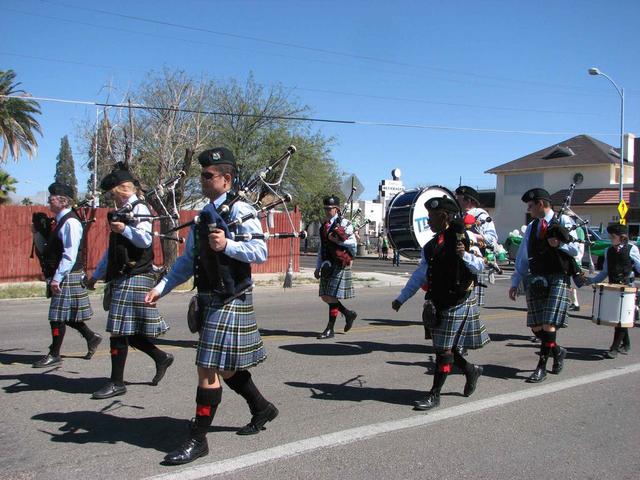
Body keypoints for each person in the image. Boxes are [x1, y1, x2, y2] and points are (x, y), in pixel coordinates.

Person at [145, 147, 277, 465]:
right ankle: (262, 408)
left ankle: (198, 438)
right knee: (226, 368)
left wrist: (228, 244)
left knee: (207, 368)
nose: (202, 180)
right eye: (201, 175)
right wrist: (161, 287)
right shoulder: (204, 216)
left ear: (226, 178)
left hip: (231, 298)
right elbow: (188, 260)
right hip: (208, 297)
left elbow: (260, 251)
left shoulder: (241, 209)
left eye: (207, 176)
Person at [391, 196, 489, 411]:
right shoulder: (431, 245)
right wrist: (402, 297)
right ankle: (471, 370)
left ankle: (434, 395)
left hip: (458, 300)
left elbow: (482, 266)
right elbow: (420, 274)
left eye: (431, 216)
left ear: (444, 216)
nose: (428, 221)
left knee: (443, 351)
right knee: (448, 349)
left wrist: (465, 256)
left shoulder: (467, 237)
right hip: (437, 301)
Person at [86, 165, 173, 399]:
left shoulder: (140, 208)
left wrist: (124, 229)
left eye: (112, 193)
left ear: (121, 189)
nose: (110, 197)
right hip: (122, 275)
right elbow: (112, 250)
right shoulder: (122, 209)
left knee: (118, 330)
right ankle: (161, 357)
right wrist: (96, 274)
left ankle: (116, 383)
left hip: (135, 275)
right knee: (127, 330)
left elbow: (145, 240)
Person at [508, 188, 579, 383]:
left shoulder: (563, 221)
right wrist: (515, 281)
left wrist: (560, 245)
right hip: (537, 278)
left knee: (548, 325)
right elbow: (523, 256)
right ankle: (557, 350)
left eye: (530, 206)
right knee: (536, 326)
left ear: (540, 204)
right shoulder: (532, 227)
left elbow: (577, 250)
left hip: (557, 277)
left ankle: (541, 367)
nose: (529, 210)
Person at [32, 182, 102, 368]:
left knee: (56, 316)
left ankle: (54, 354)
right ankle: (92, 337)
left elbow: (70, 254)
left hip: (67, 275)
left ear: (63, 201)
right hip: (63, 274)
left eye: (52, 196)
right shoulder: (60, 220)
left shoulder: (70, 222)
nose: (49, 199)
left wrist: (57, 278)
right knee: (68, 316)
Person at [585, 223, 639, 358]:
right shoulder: (608, 250)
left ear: (622, 237)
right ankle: (626, 344)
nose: (610, 239)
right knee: (619, 317)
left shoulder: (631, 248)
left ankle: (614, 348)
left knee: (620, 318)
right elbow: (604, 272)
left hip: (627, 287)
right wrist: (591, 280)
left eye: (613, 236)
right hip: (613, 287)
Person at [314, 195, 358, 339]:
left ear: (337, 209)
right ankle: (348, 314)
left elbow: (353, 243)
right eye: (325, 208)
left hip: (339, 263)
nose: (327, 211)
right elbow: (322, 248)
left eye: (329, 209)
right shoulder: (323, 226)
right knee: (325, 296)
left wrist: (338, 241)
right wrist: (317, 266)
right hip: (327, 264)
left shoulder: (345, 223)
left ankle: (330, 329)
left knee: (331, 296)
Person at [455, 186, 499, 306]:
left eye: (458, 199)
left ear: (468, 200)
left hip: (475, 261)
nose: (456, 201)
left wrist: (470, 235)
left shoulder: (481, 216)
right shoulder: (458, 216)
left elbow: (492, 239)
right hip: (459, 261)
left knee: (470, 305)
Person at [568, 225, 586, 311]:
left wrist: (577, 259)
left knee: (571, 284)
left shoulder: (579, 230)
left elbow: (580, 247)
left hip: (574, 261)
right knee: (571, 284)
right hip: (570, 260)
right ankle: (575, 303)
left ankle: (575, 303)